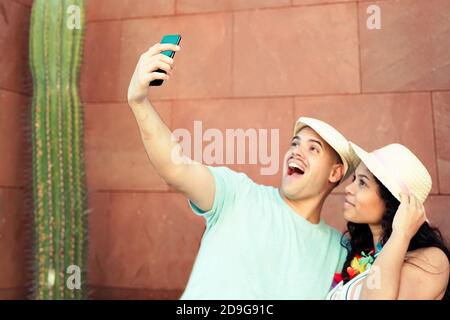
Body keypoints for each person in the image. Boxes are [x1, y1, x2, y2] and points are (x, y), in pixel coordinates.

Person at [127, 42, 358, 299]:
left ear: (335, 173)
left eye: (313, 149)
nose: (297, 152)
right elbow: (174, 165)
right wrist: (139, 102)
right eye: (295, 144)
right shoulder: (237, 194)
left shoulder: (340, 253)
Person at [327, 143, 450, 300]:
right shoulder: (363, 257)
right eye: (354, 179)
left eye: (362, 183)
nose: (348, 188)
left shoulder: (432, 260)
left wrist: (401, 234)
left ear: (390, 200)